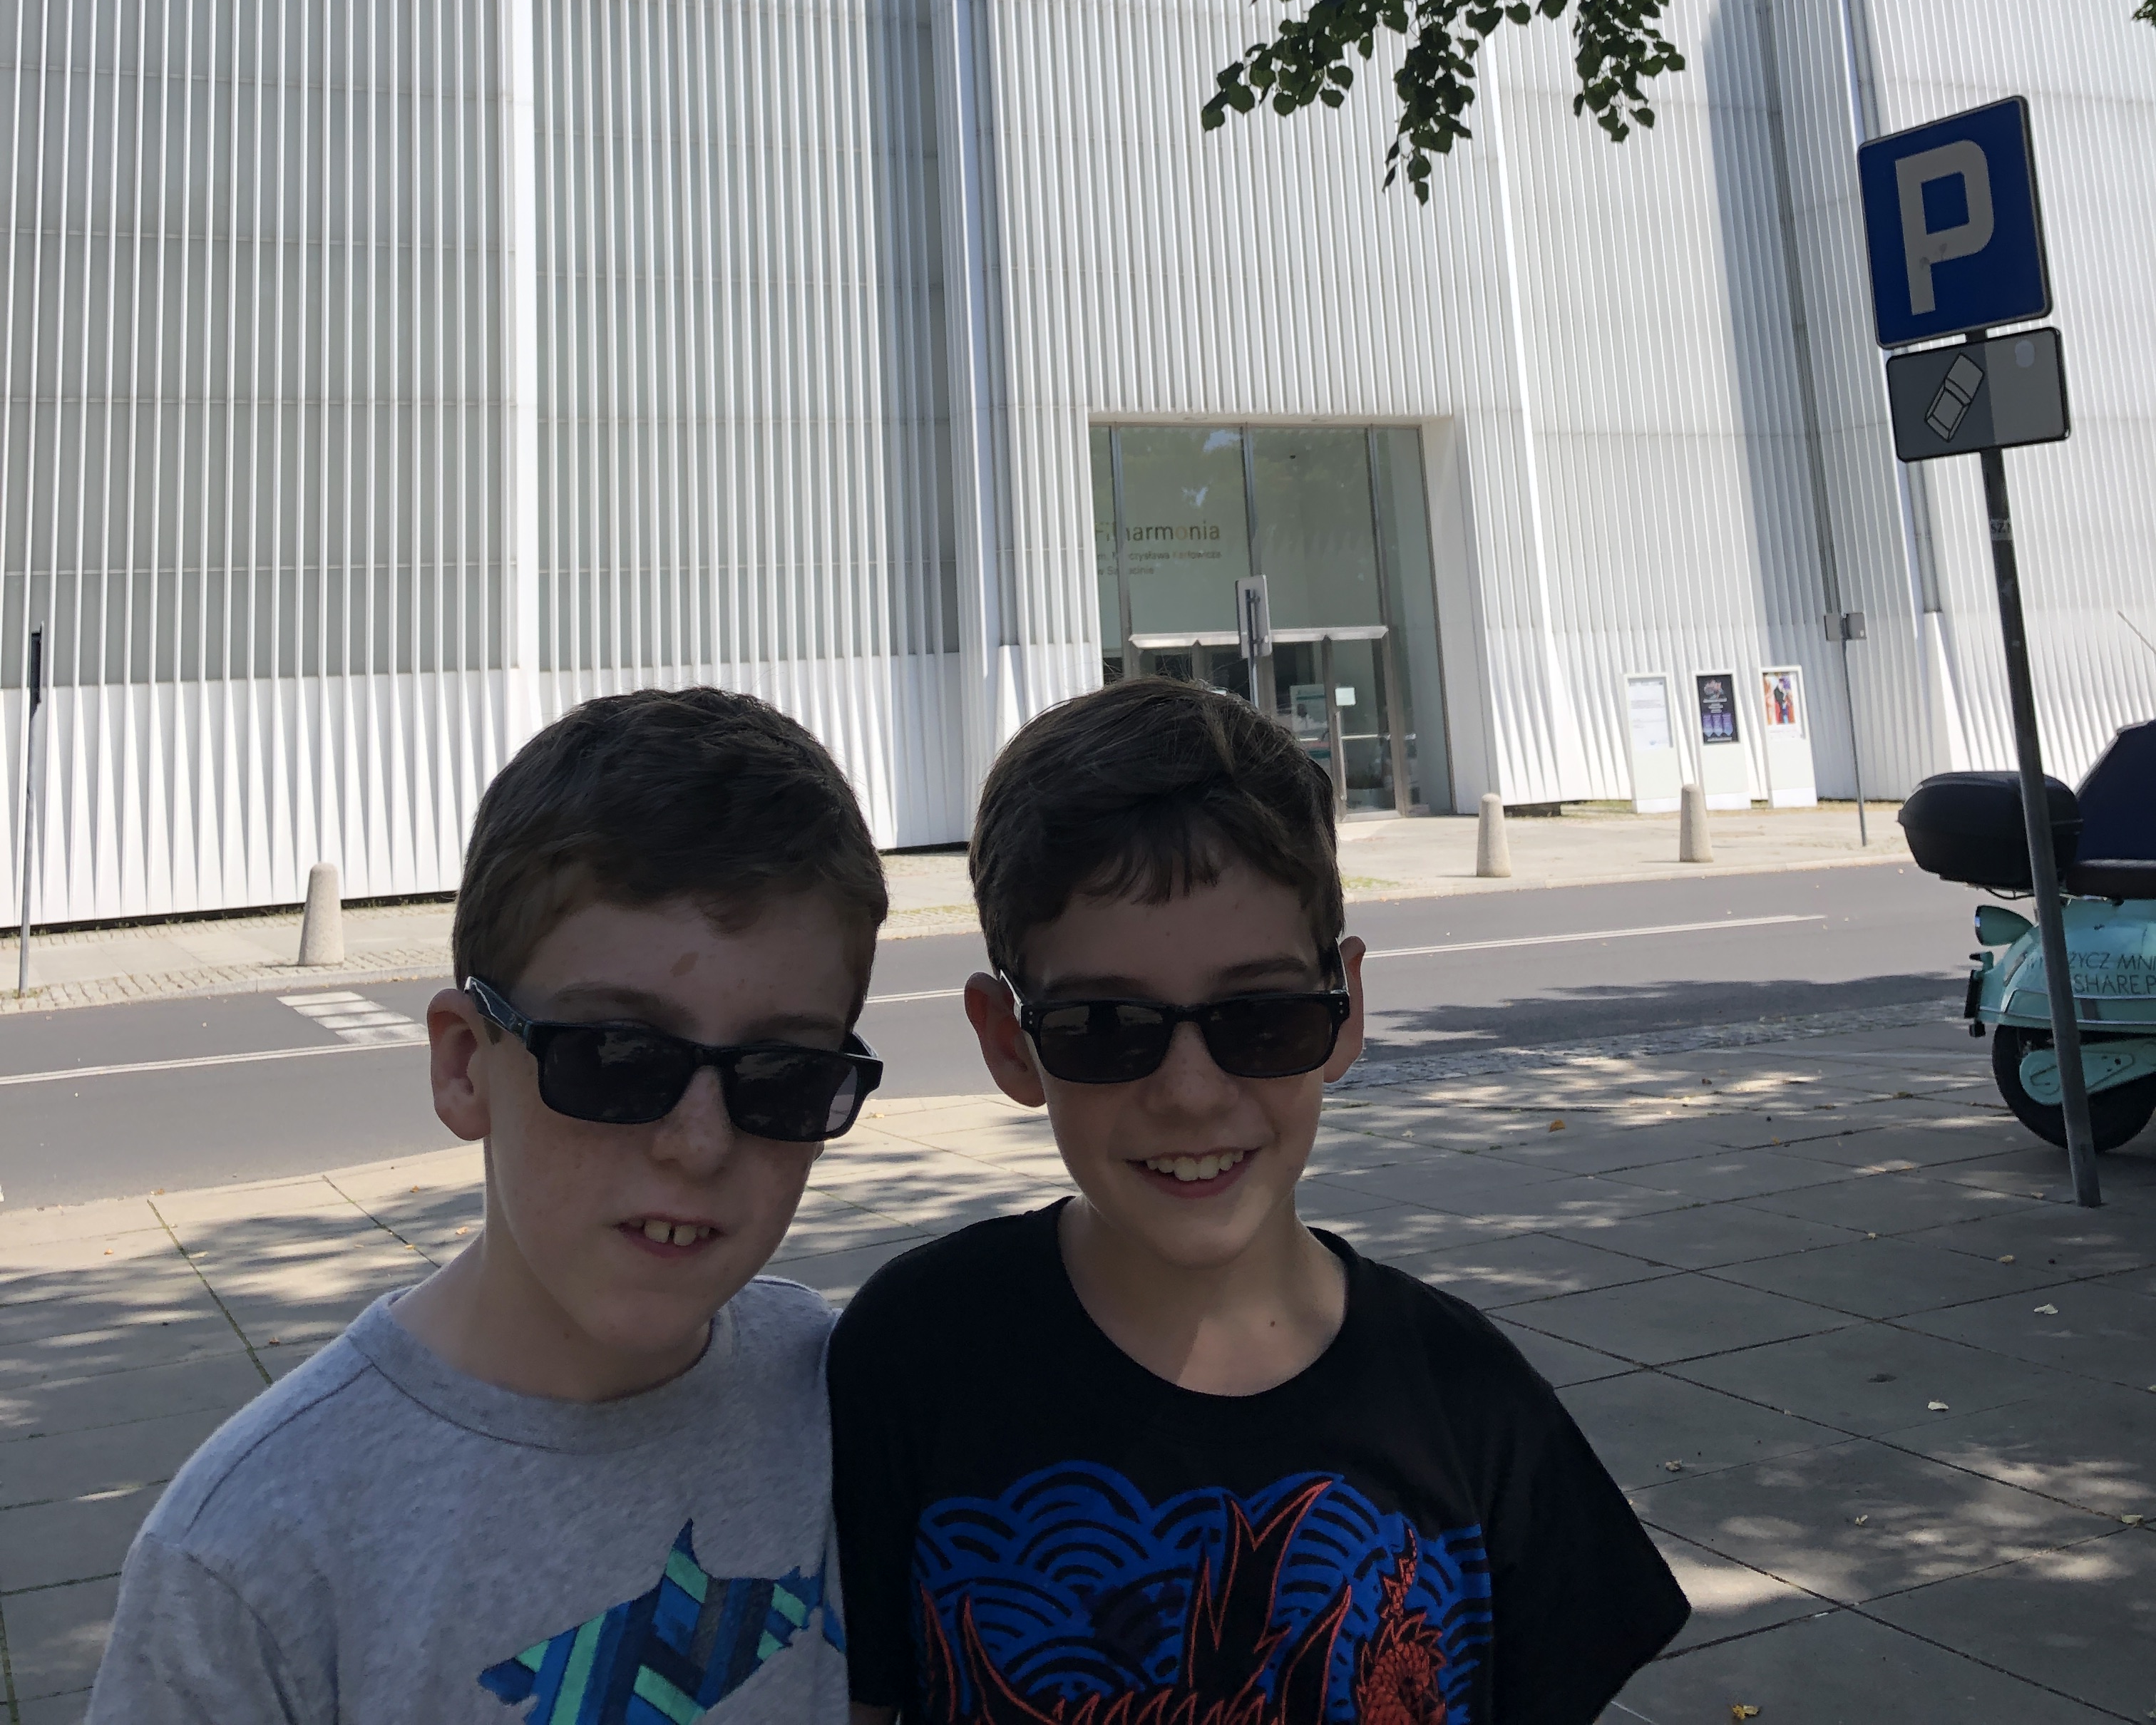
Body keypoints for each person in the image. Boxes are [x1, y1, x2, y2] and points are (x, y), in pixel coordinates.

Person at [828, 676, 1688, 1725]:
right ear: (1010, 1043)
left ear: (1345, 1010)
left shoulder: (1472, 1401)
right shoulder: (914, 1355)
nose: (1191, 1094)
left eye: (1261, 1016)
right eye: (1106, 1027)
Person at [89, 688, 888, 1724]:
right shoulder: (250, 1552)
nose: (698, 1144)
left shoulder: (849, 1402)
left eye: (783, 1075)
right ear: (466, 1064)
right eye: (615, 1057)